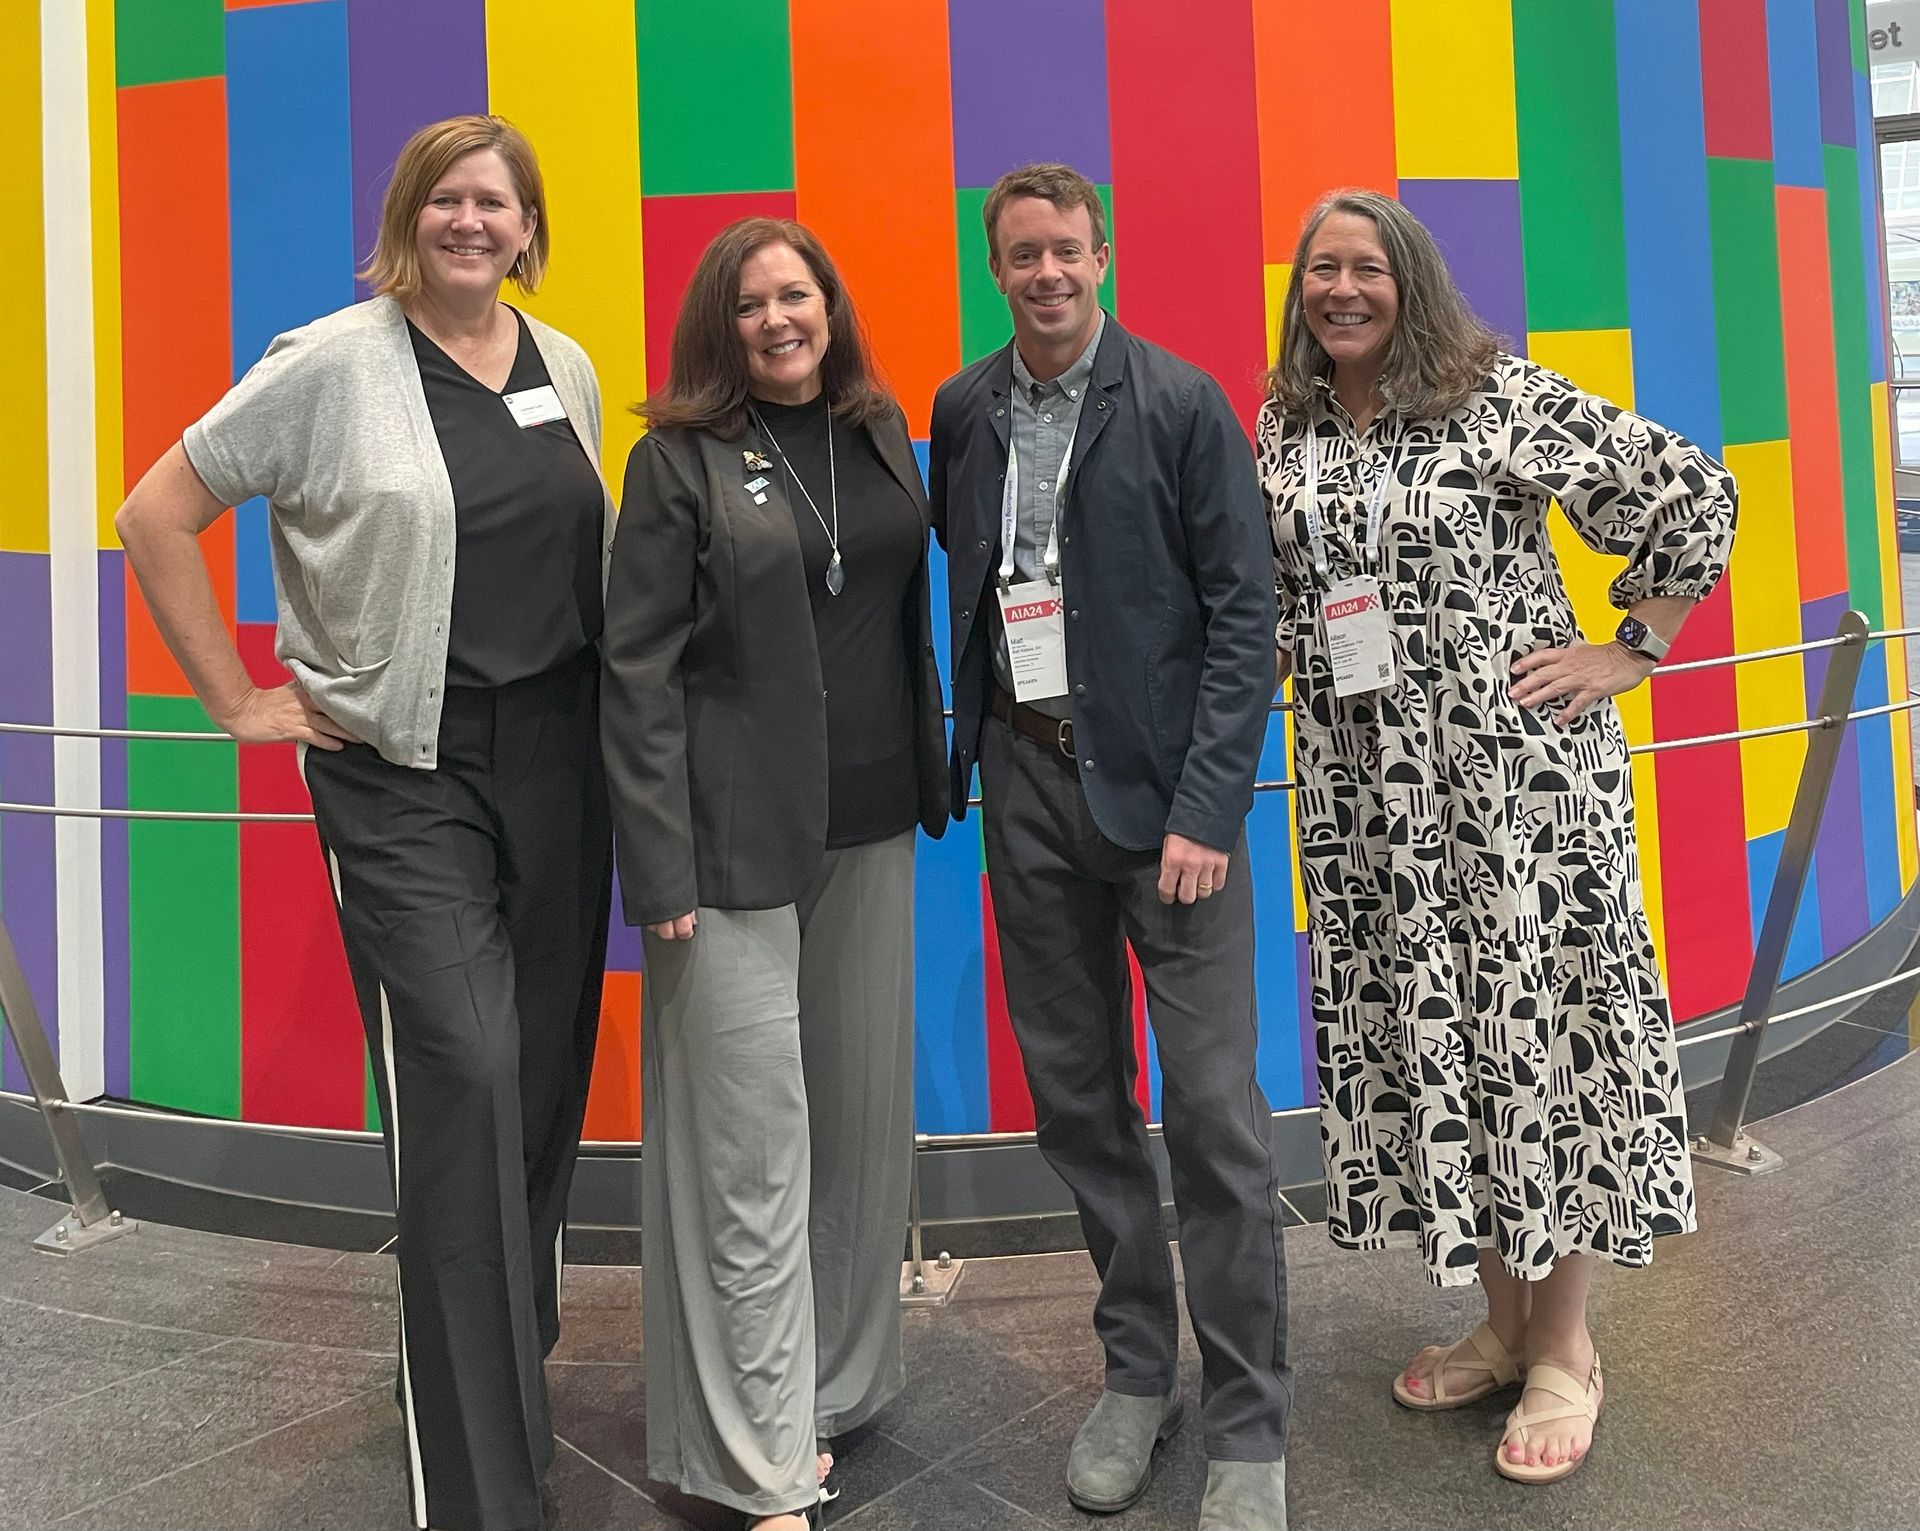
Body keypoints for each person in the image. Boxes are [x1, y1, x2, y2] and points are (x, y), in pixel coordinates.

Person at [113, 115, 614, 1531]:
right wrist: (237, 699)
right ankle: (478, 1494)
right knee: (464, 1072)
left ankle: (504, 1383)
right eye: (445, 199)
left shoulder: (564, 364)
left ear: (528, 228)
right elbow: (155, 513)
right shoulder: (330, 364)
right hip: (405, 776)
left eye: (495, 202)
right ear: (409, 217)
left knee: (539, 1089)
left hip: (562, 767)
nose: (471, 223)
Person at [1259, 189, 1737, 1484]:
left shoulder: (1494, 396)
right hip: (1370, 809)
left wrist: (1631, 650)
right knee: (1450, 1046)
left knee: (1541, 1038)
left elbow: (1692, 492)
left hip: (1516, 797)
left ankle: (1565, 1346)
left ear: (1410, 279)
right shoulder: (1288, 423)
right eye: (1321, 270)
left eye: (1366, 267)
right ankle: (1502, 1319)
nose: (1342, 290)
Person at [930, 163, 1291, 1531]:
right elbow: (975, 592)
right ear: (996, 267)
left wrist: (1210, 807)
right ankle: (1139, 1373)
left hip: (1169, 814)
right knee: (1078, 1105)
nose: (1047, 274)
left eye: (1067, 251)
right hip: (1026, 788)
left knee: (1212, 1114)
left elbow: (1245, 614)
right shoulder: (965, 409)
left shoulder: (1183, 404)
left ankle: (1249, 1419)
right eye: (1023, 254)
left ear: (1103, 256)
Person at [601, 216, 949, 1531]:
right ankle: (757, 1466)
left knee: (857, 1136)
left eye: (796, 295)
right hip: (728, 849)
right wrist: (659, 863)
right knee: (747, 1157)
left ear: (830, 306)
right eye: (750, 305)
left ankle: (830, 1395)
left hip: (871, 824)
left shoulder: (877, 429)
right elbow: (635, 672)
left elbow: (898, 609)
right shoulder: (674, 462)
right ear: (720, 326)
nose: (778, 320)